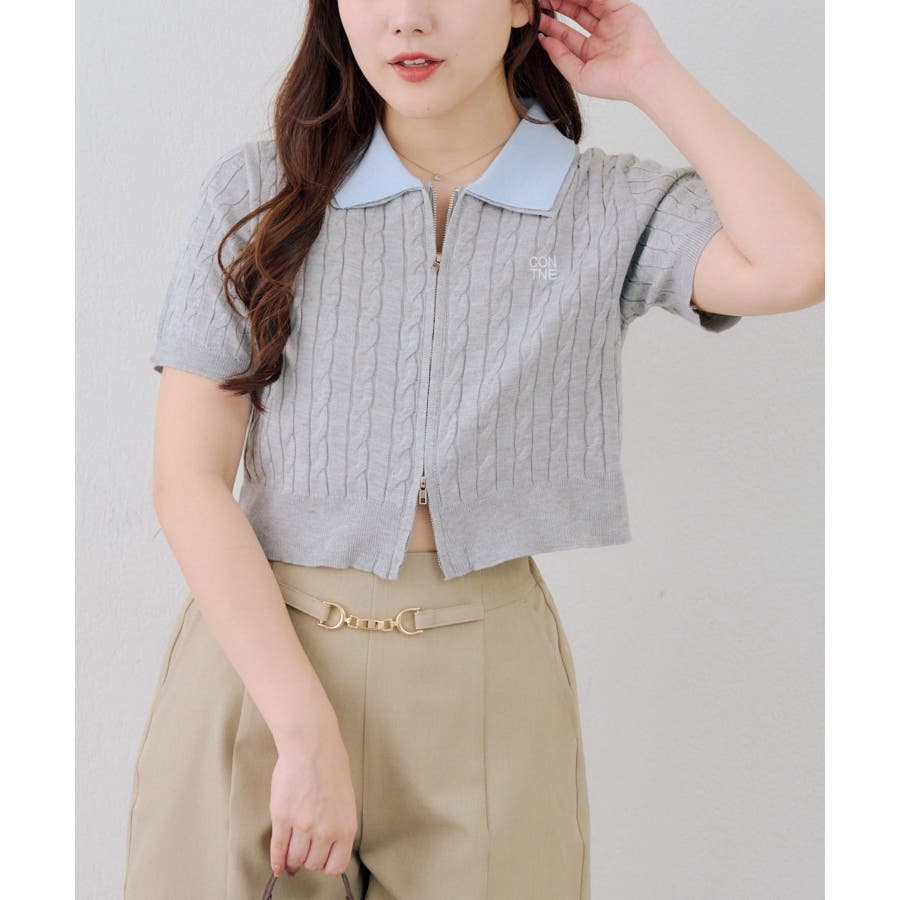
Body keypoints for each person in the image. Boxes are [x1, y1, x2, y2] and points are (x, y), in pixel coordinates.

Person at [123, 1, 825, 898]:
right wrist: (302, 730)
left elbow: (801, 262)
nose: (407, 20)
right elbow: (187, 480)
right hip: (258, 667)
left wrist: (650, 75)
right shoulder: (259, 192)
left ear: (523, 4)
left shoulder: (609, 203)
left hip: (487, 682)